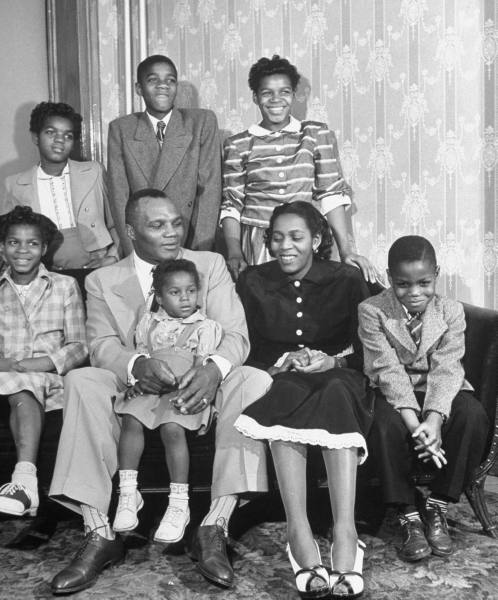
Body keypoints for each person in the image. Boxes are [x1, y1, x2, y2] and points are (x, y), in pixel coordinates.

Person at [48, 189, 271, 595]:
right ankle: (99, 533)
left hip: (198, 378)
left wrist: (212, 369)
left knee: (253, 378)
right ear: (131, 231)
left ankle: (213, 527)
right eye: (157, 225)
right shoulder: (102, 280)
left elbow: (235, 336)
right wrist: (137, 365)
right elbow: (101, 345)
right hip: (134, 384)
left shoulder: (210, 265)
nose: (171, 233)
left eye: (176, 223)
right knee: (81, 380)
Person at [234, 201, 373, 599]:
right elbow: (245, 344)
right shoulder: (252, 281)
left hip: (340, 375)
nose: (285, 246)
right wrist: (281, 363)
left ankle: (345, 531)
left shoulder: (346, 279)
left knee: (334, 390)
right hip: (281, 376)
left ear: (315, 240)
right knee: (284, 391)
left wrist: (333, 359)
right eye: (277, 237)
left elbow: (370, 347)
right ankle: (299, 528)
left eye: (296, 237)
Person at [0, 206, 87, 518]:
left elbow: (79, 346)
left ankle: (24, 483)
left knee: (24, 389)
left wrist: (43, 363)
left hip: (43, 379)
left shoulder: (63, 287)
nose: (23, 250)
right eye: (14, 243)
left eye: (32, 243)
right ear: (2, 247)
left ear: (44, 249)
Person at [358, 235, 489, 562]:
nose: (414, 292)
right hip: (394, 392)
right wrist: (416, 425)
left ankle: (437, 505)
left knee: (473, 414)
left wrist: (434, 418)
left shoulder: (452, 311)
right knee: (384, 425)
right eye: (403, 284)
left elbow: (448, 368)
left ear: (437, 275)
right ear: (390, 278)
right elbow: (387, 370)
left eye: (424, 283)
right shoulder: (372, 310)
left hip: (438, 390)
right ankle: (407, 514)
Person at [220, 54, 377, 285]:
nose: (276, 99)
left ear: (294, 95)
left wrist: (346, 251)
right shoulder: (238, 144)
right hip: (259, 244)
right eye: (267, 93)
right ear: (255, 97)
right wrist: (234, 253)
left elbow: (331, 195)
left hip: (305, 241)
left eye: (284, 92)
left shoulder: (316, 134)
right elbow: (232, 205)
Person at [113, 258, 222, 544]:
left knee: (171, 428)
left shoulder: (204, 327)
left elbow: (201, 368)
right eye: (175, 292)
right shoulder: (149, 323)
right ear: (159, 297)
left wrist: (185, 384)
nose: (185, 298)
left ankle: (178, 503)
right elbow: (142, 357)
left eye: (191, 291)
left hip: (181, 389)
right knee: (131, 419)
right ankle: (128, 493)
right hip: (151, 387)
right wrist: (137, 383)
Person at [108, 55, 221, 256]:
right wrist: (134, 252)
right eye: (153, 80)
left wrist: (199, 251)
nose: (163, 86)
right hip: (144, 242)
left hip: (189, 239)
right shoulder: (121, 129)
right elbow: (119, 197)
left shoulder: (202, 122)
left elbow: (209, 192)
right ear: (139, 88)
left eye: (170, 80)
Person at [4, 101, 119, 269]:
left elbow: (117, 224)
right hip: (47, 275)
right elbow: (11, 240)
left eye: (68, 135)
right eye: (51, 132)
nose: (59, 140)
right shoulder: (16, 185)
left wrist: (113, 258)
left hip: (98, 269)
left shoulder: (94, 172)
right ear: (35, 136)